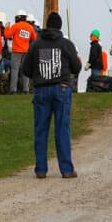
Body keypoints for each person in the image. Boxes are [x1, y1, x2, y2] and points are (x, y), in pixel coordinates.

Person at [21, 12, 81, 178]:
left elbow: (25, 70)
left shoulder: (36, 44)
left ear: (47, 25)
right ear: (60, 26)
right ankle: (67, 170)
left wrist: (39, 75)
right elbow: (76, 67)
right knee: (62, 129)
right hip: (61, 89)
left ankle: (41, 169)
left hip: (41, 91)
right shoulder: (66, 44)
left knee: (41, 130)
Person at [6, 10, 38, 94]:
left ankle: (13, 90)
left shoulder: (16, 26)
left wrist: (7, 27)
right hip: (26, 51)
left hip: (16, 51)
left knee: (15, 70)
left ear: (18, 17)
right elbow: (34, 38)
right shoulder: (29, 27)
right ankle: (26, 89)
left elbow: (7, 35)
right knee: (25, 71)